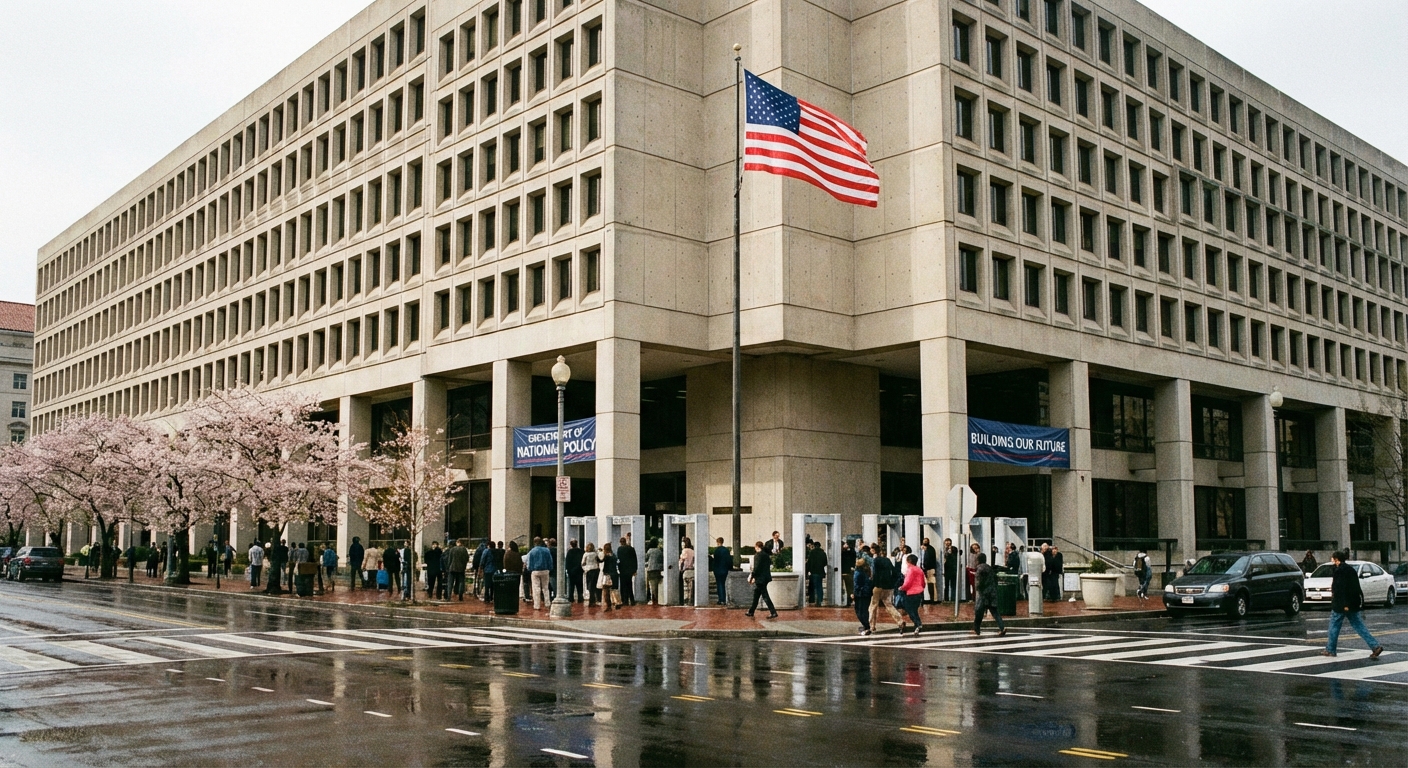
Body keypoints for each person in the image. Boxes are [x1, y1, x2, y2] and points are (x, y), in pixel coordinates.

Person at [1323, 550, 1384, 659]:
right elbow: (1356, 587)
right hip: (1353, 603)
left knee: (1334, 625)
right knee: (1359, 626)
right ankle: (1375, 646)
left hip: (1341, 604)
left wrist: (1343, 603)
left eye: (1332, 558)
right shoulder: (1350, 570)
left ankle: (1330, 649)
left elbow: (1340, 589)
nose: (1331, 560)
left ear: (1336, 559)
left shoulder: (1339, 571)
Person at [869, 542, 905, 631]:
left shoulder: (875, 561)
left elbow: (874, 574)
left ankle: (871, 625)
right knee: (889, 604)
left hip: (878, 586)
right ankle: (900, 621)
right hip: (888, 586)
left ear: (873, 551)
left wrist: (872, 584)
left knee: (873, 606)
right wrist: (892, 582)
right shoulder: (887, 560)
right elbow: (895, 572)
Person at [972, 553, 1006, 637]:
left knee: (979, 611)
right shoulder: (989, 568)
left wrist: (976, 590)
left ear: (978, 560)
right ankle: (1002, 627)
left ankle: (976, 629)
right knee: (994, 611)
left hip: (983, 594)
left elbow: (978, 583)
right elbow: (995, 579)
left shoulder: (979, 569)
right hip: (992, 592)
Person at [746, 541, 779, 619]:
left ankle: (773, 612)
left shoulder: (757, 555)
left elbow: (756, 568)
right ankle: (751, 611)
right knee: (757, 594)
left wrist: (752, 577)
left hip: (760, 578)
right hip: (765, 577)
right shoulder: (766, 555)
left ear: (757, 547)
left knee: (764, 596)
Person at [898, 553, 926, 635]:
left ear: (908, 561)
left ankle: (918, 624)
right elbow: (923, 582)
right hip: (919, 592)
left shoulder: (910, 570)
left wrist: (902, 587)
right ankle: (917, 624)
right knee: (914, 610)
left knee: (910, 610)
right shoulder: (919, 569)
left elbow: (908, 582)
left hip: (911, 593)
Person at [526, 537, 553, 610]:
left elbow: (529, 562)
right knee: (545, 588)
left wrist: (530, 569)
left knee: (536, 588)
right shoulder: (546, 550)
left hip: (535, 571)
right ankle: (547, 603)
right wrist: (550, 568)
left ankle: (537, 605)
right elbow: (550, 560)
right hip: (545, 570)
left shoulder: (532, 551)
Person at [852, 557, 874, 636]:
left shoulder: (857, 573)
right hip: (867, 593)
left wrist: (854, 593)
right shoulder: (867, 571)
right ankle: (867, 625)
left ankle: (866, 626)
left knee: (859, 611)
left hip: (860, 594)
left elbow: (856, 585)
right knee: (864, 610)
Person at [617, 537, 639, 606]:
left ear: (620, 542)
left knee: (623, 586)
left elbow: (618, 560)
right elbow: (635, 559)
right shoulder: (631, 549)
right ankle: (632, 600)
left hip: (622, 570)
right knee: (629, 585)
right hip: (629, 570)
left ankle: (624, 600)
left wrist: (619, 568)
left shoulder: (619, 549)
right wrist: (635, 569)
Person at [806, 539, 828, 606]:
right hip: (820, 572)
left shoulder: (812, 552)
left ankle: (812, 600)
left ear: (814, 546)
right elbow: (825, 562)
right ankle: (819, 600)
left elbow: (809, 562)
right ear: (820, 546)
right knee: (819, 586)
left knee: (812, 586)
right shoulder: (823, 553)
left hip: (813, 572)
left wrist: (808, 571)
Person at [598, 543, 619, 611]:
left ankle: (608, 605)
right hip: (614, 574)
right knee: (614, 589)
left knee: (605, 590)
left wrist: (600, 552)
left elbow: (600, 560)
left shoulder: (606, 556)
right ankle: (616, 602)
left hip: (607, 574)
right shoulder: (614, 555)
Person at [711, 538, 732, 605]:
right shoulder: (726, 550)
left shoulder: (716, 550)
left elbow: (715, 561)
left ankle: (721, 599)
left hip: (717, 569)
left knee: (719, 584)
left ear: (717, 542)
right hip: (725, 569)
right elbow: (729, 560)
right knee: (723, 584)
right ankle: (724, 599)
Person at [644, 539, 664, 605]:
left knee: (652, 586)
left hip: (651, 570)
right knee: (657, 585)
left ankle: (654, 599)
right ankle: (658, 599)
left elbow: (646, 558)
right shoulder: (659, 551)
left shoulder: (650, 551)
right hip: (658, 570)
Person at [582, 542, 601, 607]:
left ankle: (591, 600)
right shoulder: (595, 554)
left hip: (589, 570)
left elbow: (582, 563)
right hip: (595, 569)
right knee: (595, 585)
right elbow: (599, 560)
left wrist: (584, 568)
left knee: (590, 585)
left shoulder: (585, 554)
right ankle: (596, 599)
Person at [921, 538, 939, 604]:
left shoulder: (931, 549)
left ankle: (933, 599)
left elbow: (929, 559)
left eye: (926, 541)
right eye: (924, 541)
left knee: (932, 584)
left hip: (930, 569)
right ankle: (925, 598)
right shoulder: (922, 549)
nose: (925, 542)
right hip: (923, 569)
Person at [679, 537, 696, 605]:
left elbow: (682, 561)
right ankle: (691, 601)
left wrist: (680, 569)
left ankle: (686, 601)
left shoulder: (684, 551)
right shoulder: (693, 551)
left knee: (685, 588)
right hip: (692, 570)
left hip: (686, 571)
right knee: (691, 588)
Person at [841, 539, 857, 607]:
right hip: (849, 572)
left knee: (848, 588)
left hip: (845, 572)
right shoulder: (852, 552)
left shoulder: (845, 553)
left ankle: (847, 601)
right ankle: (849, 601)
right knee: (850, 588)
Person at [942, 538, 958, 603]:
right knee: (946, 585)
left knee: (953, 585)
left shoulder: (954, 549)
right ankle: (946, 598)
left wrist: (951, 552)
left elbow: (956, 556)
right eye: (946, 542)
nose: (947, 543)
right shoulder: (943, 550)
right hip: (946, 569)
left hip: (953, 569)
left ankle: (953, 598)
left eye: (949, 542)